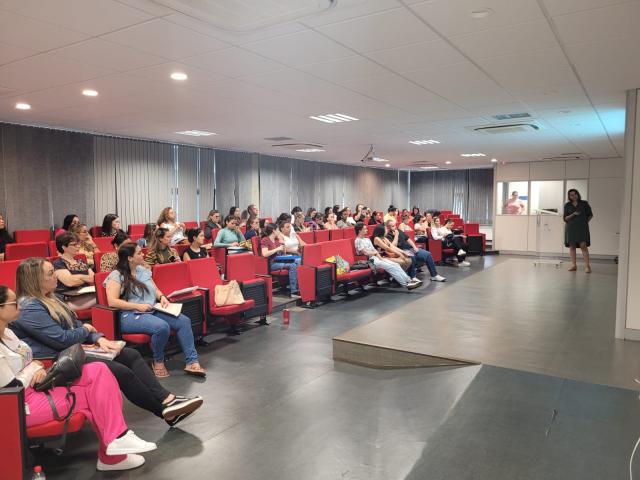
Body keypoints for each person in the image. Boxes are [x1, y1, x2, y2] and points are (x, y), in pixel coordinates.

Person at [11, 258, 204, 427]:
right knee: (122, 371)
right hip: (55, 361)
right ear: (35, 279)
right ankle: (164, 411)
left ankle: (167, 399)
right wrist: (87, 330)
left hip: (70, 351)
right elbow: (61, 339)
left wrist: (99, 338)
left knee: (130, 354)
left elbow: (74, 324)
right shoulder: (30, 307)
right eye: (51, 273)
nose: (56, 277)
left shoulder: (50, 299)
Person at [0, 285, 157, 472]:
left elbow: (31, 362)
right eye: (14, 303)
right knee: (93, 393)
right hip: (20, 407)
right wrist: (31, 370)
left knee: (98, 369)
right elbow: (12, 387)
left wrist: (33, 368)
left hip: (34, 390)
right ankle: (112, 455)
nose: (20, 306)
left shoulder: (8, 333)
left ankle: (118, 438)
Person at [106, 243, 206, 377]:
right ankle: (158, 361)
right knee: (162, 327)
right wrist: (137, 306)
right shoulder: (116, 275)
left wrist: (162, 296)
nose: (143, 254)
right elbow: (112, 301)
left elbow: (155, 289)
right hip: (129, 315)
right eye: (139, 253)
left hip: (151, 309)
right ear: (130, 258)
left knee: (183, 321)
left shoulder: (142, 270)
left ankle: (191, 361)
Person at [354, 223, 421, 290]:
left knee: (395, 265)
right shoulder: (358, 240)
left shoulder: (367, 239)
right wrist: (376, 253)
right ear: (360, 230)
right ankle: (406, 284)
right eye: (365, 229)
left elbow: (373, 250)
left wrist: (379, 257)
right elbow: (365, 252)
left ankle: (409, 280)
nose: (366, 230)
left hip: (376, 258)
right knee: (391, 266)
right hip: (369, 261)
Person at [53, 232, 97, 311]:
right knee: (102, 296)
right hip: (67, 299)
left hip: (84, 294)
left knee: (105, 294)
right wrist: (83, 277)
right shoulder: (58, 263)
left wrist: (78, 277)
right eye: (74, 244)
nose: (78, 246)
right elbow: (70, 282)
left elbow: (94, 279)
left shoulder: (81, 261)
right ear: (64, 247)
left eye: (78, 244)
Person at [261, 223, 301, 296]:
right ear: (273, 231)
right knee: (292, 265)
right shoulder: (265, 240)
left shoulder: (276, 240)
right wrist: (277, 249)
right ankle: (294, 291)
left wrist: (283, 245)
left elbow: (283, 252)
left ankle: (300, 287)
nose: (279, 232)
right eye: (277, 230)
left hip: (281, 260)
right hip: (273, 263)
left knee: (299, 260)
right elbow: (265, 254)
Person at [564, 189, 593, 273]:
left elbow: (590, 215)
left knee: (583, 245)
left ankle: (587, 266)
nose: (573, 196)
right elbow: (565, 218)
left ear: (578, 194)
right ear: (569, 196)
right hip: (571, 228)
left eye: (575, 194)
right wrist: (573, 214)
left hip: (582, 228)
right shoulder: (567, 205)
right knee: (572, 246)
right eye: (571, 195)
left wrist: (584, 222)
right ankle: (573, 265)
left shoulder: (584, 203)